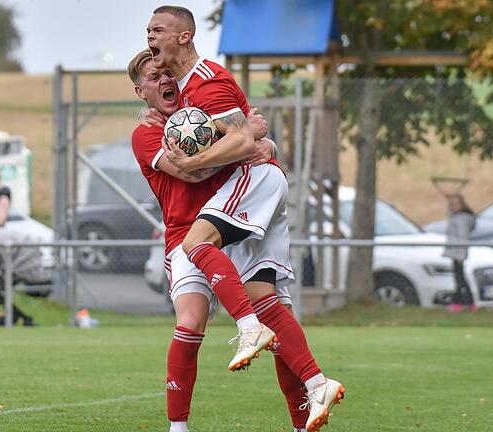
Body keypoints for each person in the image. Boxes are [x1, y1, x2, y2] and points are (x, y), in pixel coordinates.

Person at [144, 6, 343, 428]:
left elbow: (232, 143)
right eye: (147, 32)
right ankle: (316, 384)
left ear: (184, 37)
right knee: (270, 303)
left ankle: (248, 328)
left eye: (157, 30)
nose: (150, 38)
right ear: (139, 91)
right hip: (251, 190)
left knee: (196, 244)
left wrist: (247, 139)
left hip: (251, 185)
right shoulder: (157, 119)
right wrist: (252, 136)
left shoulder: (204, 82)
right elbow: (234, 139)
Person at [443, 193, 476, 311]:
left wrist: (461, 254)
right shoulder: (455, 217)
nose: (453, 206)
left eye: (456, 204)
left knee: (460, 278)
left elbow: (463, 237)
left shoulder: (463, 219)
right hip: (454, 252)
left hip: (458, 252)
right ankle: (460, 302)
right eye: (452, 204)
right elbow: (450, 214)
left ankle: (467, 302)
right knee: (458, 277)